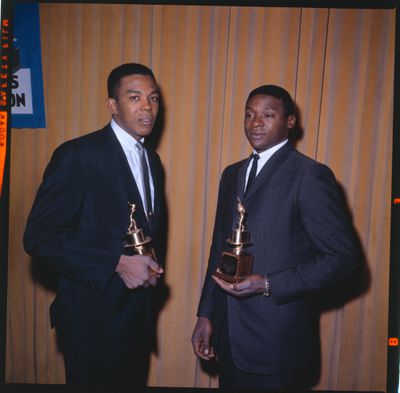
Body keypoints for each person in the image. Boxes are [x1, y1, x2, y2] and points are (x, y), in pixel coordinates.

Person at [191, 85, 361, 390]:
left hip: (277, 346)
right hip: (228, 339)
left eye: (268, 115)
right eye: (249, 114)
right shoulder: (232, 174)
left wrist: (267, 284)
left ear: (290, 121)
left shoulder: (309, 175)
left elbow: (343, 260)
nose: (256, 122)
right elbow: (219, 249)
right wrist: (206, 315)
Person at [24, 63, 166, 387]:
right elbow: (39, 238)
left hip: (136, 320)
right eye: (135, 97)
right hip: (92, 321)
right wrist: (116, 263)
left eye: (153, 98)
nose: (147, 106)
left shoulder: (152, 160)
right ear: (113, 105)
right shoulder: (78, 155)